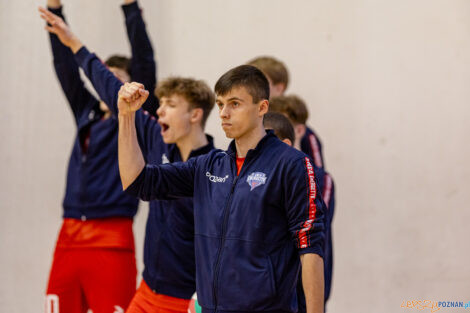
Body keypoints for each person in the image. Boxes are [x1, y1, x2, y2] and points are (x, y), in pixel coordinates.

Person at [118, 65, 326, 313]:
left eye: (235, 104)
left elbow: (310, 247)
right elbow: (137, 181)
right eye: (220, 104)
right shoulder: (208, 166)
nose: (224, 113)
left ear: (262, 107)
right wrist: (126, 117)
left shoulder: (291, 164)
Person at [39, 1, 157, 311]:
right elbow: (65, 66)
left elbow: (144, 57)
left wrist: (130, 7)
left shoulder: (136, 119)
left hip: (111, 236)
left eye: (116, 78)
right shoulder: (86, 112)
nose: (107, 85)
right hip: (69, 235)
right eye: (104, 77)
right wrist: (56, 10)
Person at [268, 99, 336, 311]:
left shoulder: (320, 179)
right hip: (269, 291)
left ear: (298, 130)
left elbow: (311, 231)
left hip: (304, 289)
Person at [247, 57, 326, 169]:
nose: (251, 89)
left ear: (279, 89)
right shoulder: (250, 125)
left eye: (259, 83)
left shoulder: (305, 133)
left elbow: (320, 177)